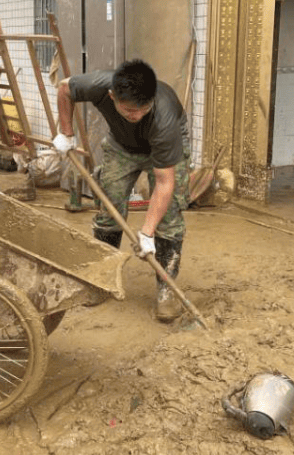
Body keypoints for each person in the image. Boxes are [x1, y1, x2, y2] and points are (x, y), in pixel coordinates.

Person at [52, 59, 191, 322]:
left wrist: (146, 232)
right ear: (112, 96)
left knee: (168, 219)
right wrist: (67, 134)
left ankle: (166, 290)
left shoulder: (164, 119)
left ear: (151, 100)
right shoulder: (99, 84)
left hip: (163, 151)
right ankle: (102, 279)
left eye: (143, 109)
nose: (136, 115)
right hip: (121, 145)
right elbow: (64, 88)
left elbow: (164, 182)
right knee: (109, 209)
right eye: (129, 111)